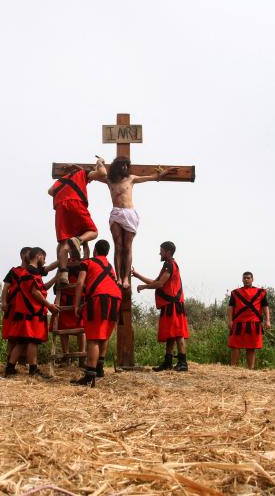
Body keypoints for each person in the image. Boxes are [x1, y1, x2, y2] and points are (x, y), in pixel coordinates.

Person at [96, 157, 177, 289]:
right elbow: (92, 175)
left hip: (129, 213)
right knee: (118, 246)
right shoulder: (109, 180)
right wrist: (99, 162)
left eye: (127, 166)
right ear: (117, 166)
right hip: (116, 212)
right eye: (123, 166)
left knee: (127, 247)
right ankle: (118, 277)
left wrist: (164, 172)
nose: (125, 168)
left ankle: (126, 278)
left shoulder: (131, 178)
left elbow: (150, 177)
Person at [70, 239, 122, 386]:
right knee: (103, 334)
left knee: (93, 338)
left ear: (95, 251)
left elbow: (80, 283)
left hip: (100, 298)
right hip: (116, 298)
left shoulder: (88, 263)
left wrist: (76, 305)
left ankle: (89, 376)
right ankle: (99, 368)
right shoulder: (109, 266)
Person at [48, 157, 107, 285]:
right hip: (76, 202)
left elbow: (50, 191)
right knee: (93, 231)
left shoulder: (60, 180)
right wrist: (100, 162)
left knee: (64, 241)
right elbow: (102, 173)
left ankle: (64, 274)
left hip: (60, 208)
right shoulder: (83, 174)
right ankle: (78, 240)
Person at [132, 241, 189, 372]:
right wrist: (137, 275)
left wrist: (144, 287)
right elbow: (156, 282)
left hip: (173, 304)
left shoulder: (169, 265)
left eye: (161, 251)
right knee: (170, 334)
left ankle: (183, 363)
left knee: (178, 333)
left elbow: (159, 284)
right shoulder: (167, 265)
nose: (160, 253)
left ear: (168, 252)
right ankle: (168, 362)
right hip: (169, 304)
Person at [6, 247, 60, 378]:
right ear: (39, 256)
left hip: (26, 312)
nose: (45, 261)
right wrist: (49, 305)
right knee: (32, 341)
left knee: (22, 342)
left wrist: (55, 278)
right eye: (44, 257)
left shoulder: (30, 271)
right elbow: (35, 292)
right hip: (31, 312)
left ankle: (10, 368)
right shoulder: (31, 271)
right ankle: (33, 370)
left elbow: (41, 288)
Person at [227, 271, 270, 369]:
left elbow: (265, 306)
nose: (246, 280)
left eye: (248, 278)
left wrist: (268, 320)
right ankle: (232, 369)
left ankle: (250, 370)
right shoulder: (235, 293)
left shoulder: (260, 292)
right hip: (238, 323)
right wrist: (230, 320)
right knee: (235, 346)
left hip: (254, 323)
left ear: (252, 279)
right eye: (244, 278)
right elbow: (231, 307)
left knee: (251, 347)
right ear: (242, 279)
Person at [0, 246, 31, 377]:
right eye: (30, 254)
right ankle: (10, 363)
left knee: (25, 336)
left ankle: (22, 363)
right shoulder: (14, 271)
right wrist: (4, 302)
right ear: (23, 255)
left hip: (26, 308)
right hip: (12, 307)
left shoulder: (33, 271)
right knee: (12, 336)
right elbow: (6, 287)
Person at [51, 262, 86, 364]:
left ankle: (82, 357)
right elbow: (57, 282)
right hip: (64, 299)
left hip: (78, 298)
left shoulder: (83, 263)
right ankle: (66, 357)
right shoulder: (64, 262)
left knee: (81, 327)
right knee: (62, 326)